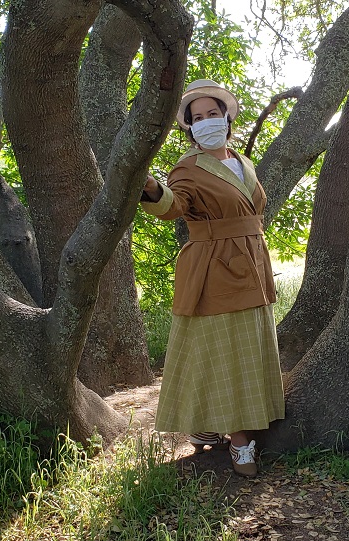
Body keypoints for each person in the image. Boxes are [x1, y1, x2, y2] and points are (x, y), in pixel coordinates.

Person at [140, 79, 285, 477]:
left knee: (247, 348)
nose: (206, 122)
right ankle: (239, 443)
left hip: (252, 263)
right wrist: (150, 186)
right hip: (213, 266)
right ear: (188, 127)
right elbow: (174, 206)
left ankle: (205, 426)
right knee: (221, 350)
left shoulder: (243, 162)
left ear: (226, 117)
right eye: (197, 118)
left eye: (212, 114)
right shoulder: (186, 167)